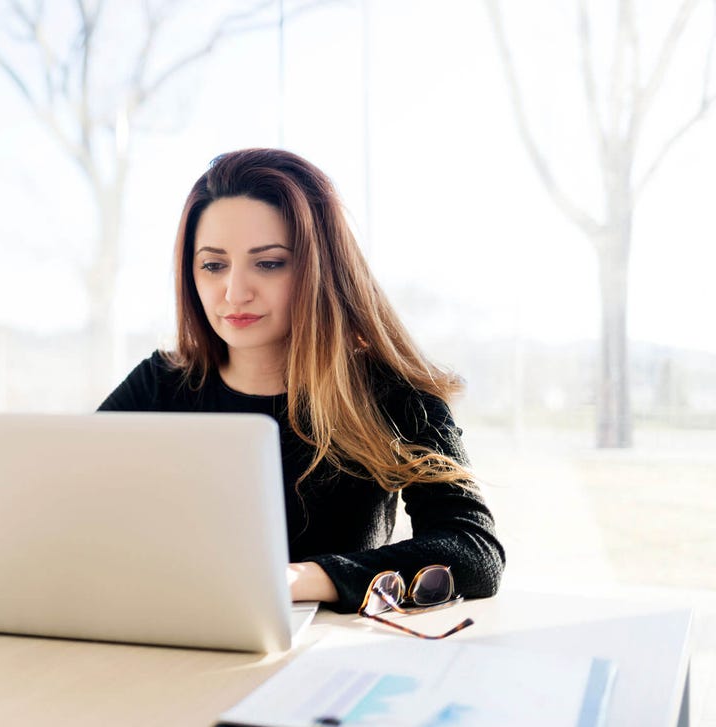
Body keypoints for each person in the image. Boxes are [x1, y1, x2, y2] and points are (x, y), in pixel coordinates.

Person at [99, 148, 504, 613]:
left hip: (324, 657)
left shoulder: (390, 394)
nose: (235, 292)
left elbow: (475, 553)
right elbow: (67, 507)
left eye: (269, 263)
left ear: (320, 269)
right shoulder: (159, 385)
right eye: (213, 265)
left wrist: (300, 579)